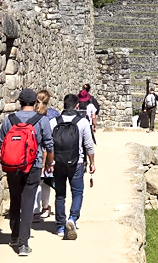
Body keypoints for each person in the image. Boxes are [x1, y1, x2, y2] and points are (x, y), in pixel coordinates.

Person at [0, 88, 53, 257]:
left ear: (19, 102)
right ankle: (23, 244)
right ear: (35, 102)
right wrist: (48, 163)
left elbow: (1, 142)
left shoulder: (9, 119)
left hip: (12, 167)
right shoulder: (42, 120)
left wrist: (13, 157)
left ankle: (14, 236)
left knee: (15, 199)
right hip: (33, 166)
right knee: (28, 202)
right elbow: (49, 144)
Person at [51, 93, 96, 240]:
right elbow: (89, 145)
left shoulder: (53, 122)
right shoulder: (82, 122)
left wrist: (49, 163)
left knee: (60, 195)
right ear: (77, 106)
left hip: (58, 163)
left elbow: (48, 145)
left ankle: (60, 226)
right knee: (77, 193)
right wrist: (92, 163)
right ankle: (72, 218)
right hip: (76, 163)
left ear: (64, 105)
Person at [33, 90, 60, 221]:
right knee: (46, 182)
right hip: (48, 153)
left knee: (35, 183)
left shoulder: (30, 115)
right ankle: (45, 208)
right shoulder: (54, 115)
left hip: (33, 154)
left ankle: (35, 210)